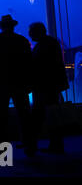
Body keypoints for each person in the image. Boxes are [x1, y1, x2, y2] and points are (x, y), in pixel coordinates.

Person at [0, 15, 36, 158]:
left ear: (1, 26)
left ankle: (2, 150)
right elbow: (28, 63)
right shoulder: (22, 41)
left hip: (1, 84)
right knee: (24, 116)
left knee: (1, 119)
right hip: (20, 83)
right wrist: (29, 83)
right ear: (13, 26)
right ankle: (29, 147)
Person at [29, 22, 69, 154]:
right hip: (50, 86)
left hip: (45, 86)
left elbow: (40, 65)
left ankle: (48, 144)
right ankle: (55, 144)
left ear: (37, 32)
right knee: (51, 114)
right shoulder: (51, 43)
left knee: (45, 115)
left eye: (31, 32)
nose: (29, 34)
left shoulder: (43, 45)